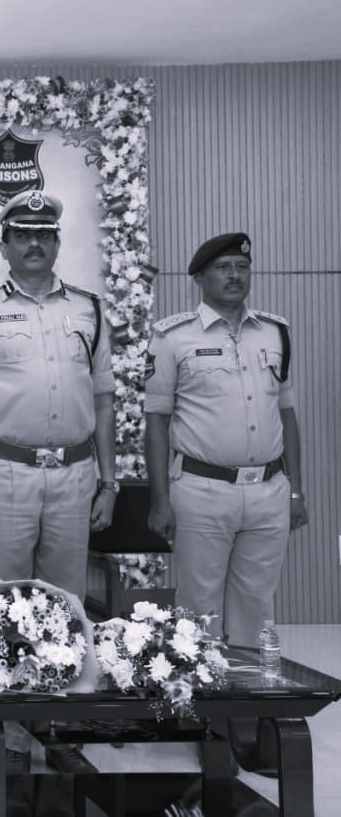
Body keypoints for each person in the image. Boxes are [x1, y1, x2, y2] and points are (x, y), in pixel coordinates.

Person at [0, 190, 118, 601]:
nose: (34, 244)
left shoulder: (89, 308)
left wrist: (109, 485)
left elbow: (103, 401)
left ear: (57, 243)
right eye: (22, 235)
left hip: (74, 476)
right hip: (5, 475)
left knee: (65, 604)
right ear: (3, 246)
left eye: (44, 235)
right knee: (3, 602)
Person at [144, 232, 307, 647]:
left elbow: (286, 414)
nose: (234, 275)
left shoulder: (275, 332)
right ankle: (199, 687)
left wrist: (295, 491)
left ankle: (245, 686)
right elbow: (157, 422)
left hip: (269, 490)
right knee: (199, 605)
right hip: (202, 491)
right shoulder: (172, 337)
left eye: (242, 267)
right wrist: (160, 500)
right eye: (222, 268)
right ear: (199, 278)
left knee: (256, 603)